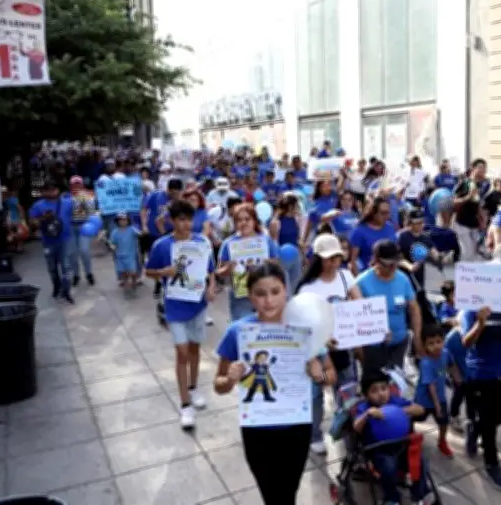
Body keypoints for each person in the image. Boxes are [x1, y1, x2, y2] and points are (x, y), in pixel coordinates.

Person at [214, 261, 330, 505]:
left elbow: (331, 376)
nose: (269, 301)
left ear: (285, 291)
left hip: (296, 427)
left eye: (275, 292)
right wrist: (231, 378)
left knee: (288, 493)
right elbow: (219, 384)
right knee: (271, 495)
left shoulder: (303, 327)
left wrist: (318, 372)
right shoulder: (238, 332)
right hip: (258, 429)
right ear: (250, 296)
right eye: (260, 294)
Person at [459, 243, 501, 490]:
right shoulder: (473, 305)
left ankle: (473, 427)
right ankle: (491, 463)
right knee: (489, 421)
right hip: (481, 371)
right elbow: (466, 342)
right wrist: (480, 322)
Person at [145, 200, 217, 429]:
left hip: (197, 305)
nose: (186, 224)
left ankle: (193, 388)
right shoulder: (162, 245)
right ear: (172, 221)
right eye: (181, 219)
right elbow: (148, 271)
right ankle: (185, 404)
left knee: (195, 349)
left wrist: (211, 286)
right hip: (174, 305)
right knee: (182, 353)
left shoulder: (202, 242)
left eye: (189, 219)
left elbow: (210, 269)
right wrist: (162, 272)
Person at [295, 233, 363, 455]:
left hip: (344, 349)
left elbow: (360, 305)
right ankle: (314, 434)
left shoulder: (345, 277)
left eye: (336, 257)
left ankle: (347, 430)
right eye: (328, 258)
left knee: (348, 392)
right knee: (316, 394)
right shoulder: (308, 288)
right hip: (318, 352)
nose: (333, 262)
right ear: (318, 259)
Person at [354, 371, 429, 505]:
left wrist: (398, 411)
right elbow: (356, 427)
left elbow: (420, 409)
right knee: (388, 467)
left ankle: (418, 495)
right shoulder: (365, 407)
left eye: (384, 388)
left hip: (402, 446)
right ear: (366, 395)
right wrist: (367, 415)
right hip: (379, 450)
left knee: (421, 461)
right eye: (374, 391)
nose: (381, 393)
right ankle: (392, 497)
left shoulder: (395, 401)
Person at [356, 240, 422, 370]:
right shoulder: (361, 282)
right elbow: (355, 317)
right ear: (376, 260)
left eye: (395, 264)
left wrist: (417, 339)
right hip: (373, 347)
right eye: (388, 265)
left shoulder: (403, 279)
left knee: (396, 383)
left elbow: (414, 309)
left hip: (399, 342)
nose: (393, 268)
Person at [217, 203, 279, 320]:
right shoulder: (228, 244)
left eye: (247, 219)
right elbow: (219, 272)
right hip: (241, 296)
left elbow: (277, 265)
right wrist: (228, 269)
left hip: (264, 293)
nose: (243, 223)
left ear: (254, 221)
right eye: (239, 220)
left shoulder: (265, 240)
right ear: (235, 223)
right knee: (243, 331)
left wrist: (267, 262)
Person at [414, 325, 458, 458]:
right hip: (424, 399)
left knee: (444, 421)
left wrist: (457, 378)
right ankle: (409, 436)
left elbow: (450, 366)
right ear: (424, 345)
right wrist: (437, 405)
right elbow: (431, 386)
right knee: (415, 417)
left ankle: (442, 441)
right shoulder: (426, 363)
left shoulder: (445, 353)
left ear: (443, 341)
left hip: (440, 397)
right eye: (431, 343)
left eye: (439, 341)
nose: (436, 346)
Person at [29, 181, 74, 303]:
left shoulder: (68, 202)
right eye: (47, 190)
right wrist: (43, 218)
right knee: (52, 268)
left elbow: (78, 215)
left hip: (64, 239)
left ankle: (67, 291)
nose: (51, 192)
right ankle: (56, 286)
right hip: (48, 241)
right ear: (43, 192)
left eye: (53, 189)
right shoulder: (38, 205)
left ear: (57, 190)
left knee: (66, 266)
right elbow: (32, 222)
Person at [142, 178, 184, 299]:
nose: (175, 195)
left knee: (171, 260)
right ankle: (157, 284)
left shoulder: (180, 201)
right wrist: (144, 225)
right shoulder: (156, 195)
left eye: (178, 193)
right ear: (168, 190)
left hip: (172, 233)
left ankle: (168, 285)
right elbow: (144, 209)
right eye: (173, 193)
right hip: (154, 233)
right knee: (156, 262)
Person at [348, 196, 397, 276]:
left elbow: (395, 253)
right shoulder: (359, 231)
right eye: (383, 213)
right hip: (368, 275)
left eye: (388, 213)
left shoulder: (390, 228)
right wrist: (359, 282)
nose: (387, 217)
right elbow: (353, 260)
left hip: (389, 275)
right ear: (373, 212)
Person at [452, 158, 489, 261]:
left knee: (477, 254)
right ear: (473, 168)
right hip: (462, 224)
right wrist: (468, 196)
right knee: (468, 254)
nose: (483, 171)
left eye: (485, 168)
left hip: (475, 225)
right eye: (480, 167)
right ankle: (464, 275)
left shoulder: (482, 185)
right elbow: (454, 202)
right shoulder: (464, 184)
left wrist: (483, 219)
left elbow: (478, 205)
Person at [268, 192, 303, 292]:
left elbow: (298, 239)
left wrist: (303, 256)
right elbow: (273, 242)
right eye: (296, 205)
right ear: (291, 206)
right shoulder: (276, 222)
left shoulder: (296, 219)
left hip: (296, 257)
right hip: (282, 259)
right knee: (285, 288)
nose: (298, 208)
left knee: (296, 286)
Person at [67, 176, 96, 286]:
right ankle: (76, 275)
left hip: (84, 226)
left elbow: (91, 212)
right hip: (70, 227)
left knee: (84, 251)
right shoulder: (66, 198)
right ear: (71, 185)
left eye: (78, 183)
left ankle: (89, 273)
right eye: (74, 184)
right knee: (72, 254)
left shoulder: (88, 196)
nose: (76, 186)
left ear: (82, 184)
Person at [109, 212, 140, 289]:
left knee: (133, 271)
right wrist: (112, 246)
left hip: (131, 255)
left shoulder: (132, 229)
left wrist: (142, 233)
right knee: (123, 272)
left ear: (128, 220)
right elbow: (112, 243)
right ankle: (126, 285)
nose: (123, 221)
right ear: (117, 221)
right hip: (119, 256)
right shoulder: (115, 232)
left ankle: (134, 281)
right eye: (121, 220)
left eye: (124, 219)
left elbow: (140, 234)